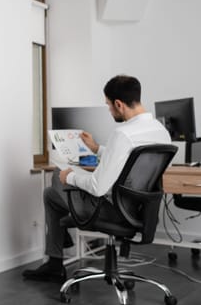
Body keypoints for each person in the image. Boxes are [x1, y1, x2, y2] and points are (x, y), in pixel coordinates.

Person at [22, 75, 171, 283]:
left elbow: (98, 187)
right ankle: (55, 264)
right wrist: (96, 149)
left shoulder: (123, 134)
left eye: (109, 106)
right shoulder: (161, 132)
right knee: (50, 196)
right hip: (139, 210)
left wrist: (70, 176)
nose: (109, 111)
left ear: (119, 104)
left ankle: (57, 259)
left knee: (57, 176)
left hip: (113, 211)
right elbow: (132, 161)